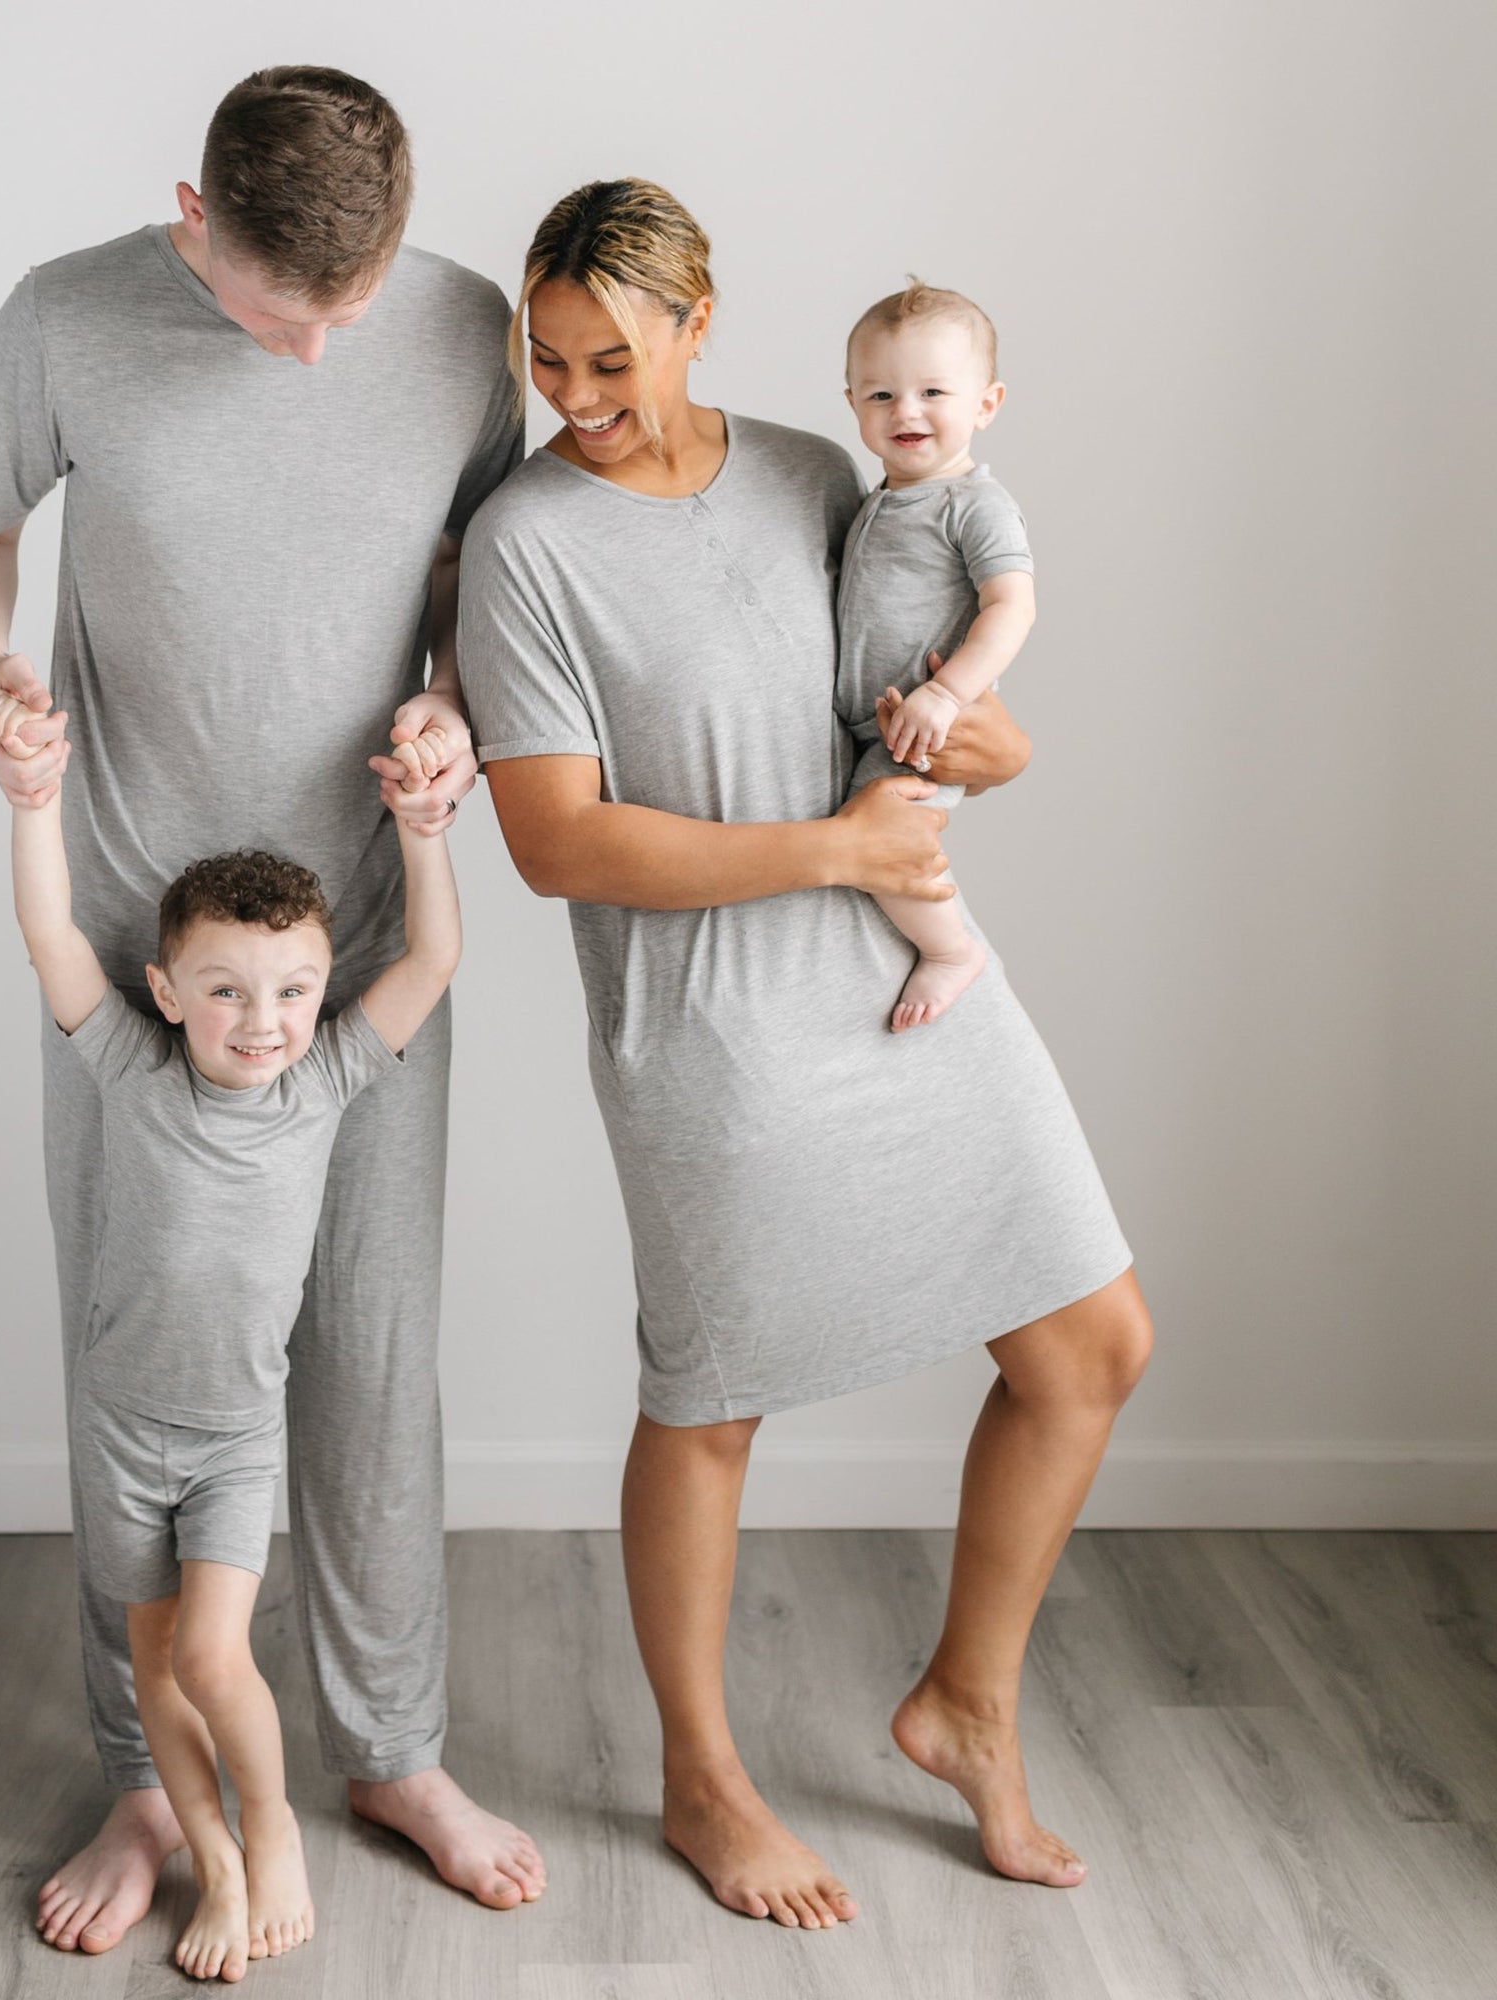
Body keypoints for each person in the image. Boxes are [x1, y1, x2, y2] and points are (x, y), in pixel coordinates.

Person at [456, 178, 1151, 1931]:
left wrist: (975, 747)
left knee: (1091, 1344)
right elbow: (557, 843)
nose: (576, 394)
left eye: (612, 356)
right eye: (548, 359)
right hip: (714, 1039)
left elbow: (908, 708)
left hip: (901, 976)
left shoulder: (815, 472)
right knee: (711, 1399)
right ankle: (703, 1781)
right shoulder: (525, 543)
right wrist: (834, 851)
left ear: (701, 320)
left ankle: (965, 1705)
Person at [0, 66, 544, 1953]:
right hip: (128, 948)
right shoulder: (65, 316)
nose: (326, 343)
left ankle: (393, 1746)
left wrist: (453, 696)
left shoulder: (454, 325)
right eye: (292, 306)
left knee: (371, 1353)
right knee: (143, 1366)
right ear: (195, 213)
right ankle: (140, 1771)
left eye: (353, 306)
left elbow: (476, 570)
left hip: (357, 939)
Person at [0, 684, 461, 1981]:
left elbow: (427, 965)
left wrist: (423, 831)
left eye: (292, 990)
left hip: (232, 1437)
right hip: (121, 1427)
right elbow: (47, 931)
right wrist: (36, 803)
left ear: (320, 994)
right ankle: (214, 1859)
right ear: (166, 988)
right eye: (227, 991)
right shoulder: (133, 1071)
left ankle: (275, 1831)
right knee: (157, 1672)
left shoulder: (323, 1084)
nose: (263, 1020)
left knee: (213, 1651)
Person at [837, 280, 1036, 1031]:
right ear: (853, 404)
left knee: (882, 846)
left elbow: (1012, 607)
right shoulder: (875, 499)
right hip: (870, 723)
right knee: (867, 842)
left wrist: (947, 696)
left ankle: (952, 950)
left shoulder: (974, 505)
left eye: (932, 392)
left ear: (985, 404)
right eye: (881, 395)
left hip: (921, 733)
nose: (906, 412)